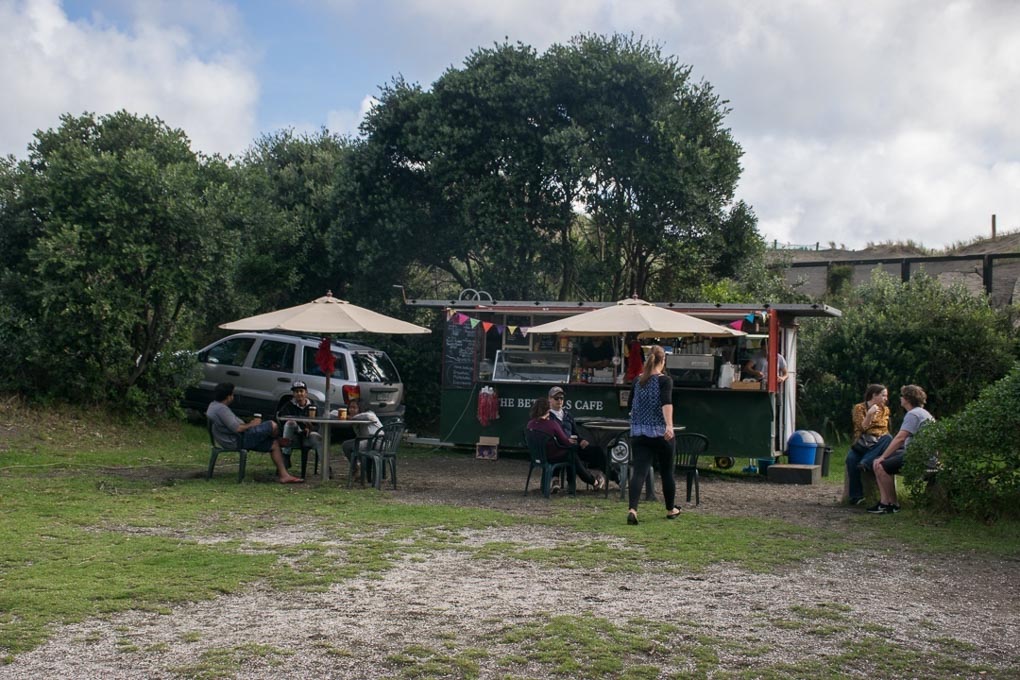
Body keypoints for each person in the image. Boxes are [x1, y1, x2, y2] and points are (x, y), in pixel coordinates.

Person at [205, 382, 303, 484]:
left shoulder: (213, 405)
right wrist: (253, 424)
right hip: (238, 440)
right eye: (232, 394)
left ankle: (284, 476)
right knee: (272, 425)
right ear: (228, 396)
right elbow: (237, 428)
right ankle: (279, 439)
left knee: (274, 445)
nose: (233, 396)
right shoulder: (221, 409)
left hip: (236, 438)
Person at [627, 345, 681, 524]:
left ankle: (633, 509)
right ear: (663, 361)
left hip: (639, 432)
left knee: (639, 472)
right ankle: (670, 508)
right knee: (667, 472)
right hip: (660, 433)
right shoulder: (664, 380)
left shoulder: (637, 381)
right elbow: (666, 403)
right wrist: (669, 426)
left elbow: (629, 405)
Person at [868, 384, 935, 514]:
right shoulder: (921, 413)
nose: (900, 399)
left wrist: (883, 457)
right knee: (878, 461)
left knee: (881, 464)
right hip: (921, 454)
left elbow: (900, 438)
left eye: (902, 396)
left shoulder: (913, 414)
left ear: (908, 399)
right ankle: (884, 502)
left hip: (921, 458)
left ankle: (893, 504)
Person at [526, 397, 600, 492]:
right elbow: (565, 442)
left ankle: (555, 480)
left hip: (538, 457)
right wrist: (573, 441)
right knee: (573, 456)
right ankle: (592, 481)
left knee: (570, 455)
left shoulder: (530, 424)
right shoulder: (552, 425)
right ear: (548, 410)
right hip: (554, 456)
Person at [547, 386, 606, 491]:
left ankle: (616, 477)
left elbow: (576, 433)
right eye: (556, 398)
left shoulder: (568, 415)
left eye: (561, 398)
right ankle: (589, 481)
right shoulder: (548, 416)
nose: (559, 401)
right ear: (549, 399)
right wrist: (565, 440)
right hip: (559, 448)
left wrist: (581, 440)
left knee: (597, 451)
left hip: (573, 445)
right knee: (572, 454)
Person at [845, 384, 892, 505]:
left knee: (888, 437)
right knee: (851, 459)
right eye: (883, 395)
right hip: (862, 443)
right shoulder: (859, 408)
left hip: (878, 443)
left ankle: (865, 462)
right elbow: (862, 427)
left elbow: (883, 428)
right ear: (874, 395)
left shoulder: (885, 410)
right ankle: (856, 496)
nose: (886, 398)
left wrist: (872, 428)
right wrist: (870, 414)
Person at [276, 381, 322, 470]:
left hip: (308, 435)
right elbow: (282, 421)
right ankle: (286, 456)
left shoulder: (313, 406)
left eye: (301, 391)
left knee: (320, 439)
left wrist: (310, 428)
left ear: (306, 393)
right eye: (296, 392)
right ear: (293, 394)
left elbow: (318, 424)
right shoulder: (288, 406)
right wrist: (300, 426)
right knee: (290, 423)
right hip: (293, 436)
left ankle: (326, 467)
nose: (299, 394)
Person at [341, 398, 383, 476]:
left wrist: (352, 417)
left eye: (354, 408)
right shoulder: (357, 418)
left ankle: (361, 470)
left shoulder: (369, 414)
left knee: (352, 446)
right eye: (350, 407)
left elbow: (368, 416)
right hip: (368, 441)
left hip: (377, 442)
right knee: (346, 445)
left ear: (360, 408)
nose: (351, 410)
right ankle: (356, 467)